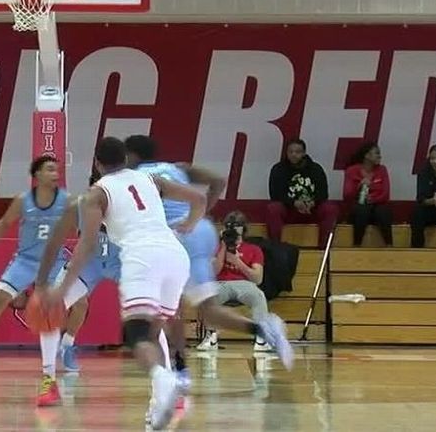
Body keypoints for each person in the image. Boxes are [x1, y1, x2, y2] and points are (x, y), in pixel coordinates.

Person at [37, 137, 213, 429]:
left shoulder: (99, 195)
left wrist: (52, 286)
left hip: (129, 257)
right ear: (126, 159)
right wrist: (189, 225)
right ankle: (48, 379)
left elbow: (74, 244)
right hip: (121, 258)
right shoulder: (91, 198)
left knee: (143, 328)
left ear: (97, 162)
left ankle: (166, 386)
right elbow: (200, 198)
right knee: (151, 323)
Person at [124, 134, 293, 387]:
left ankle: (179, 371)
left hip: (175, 237)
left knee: (170, 311)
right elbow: (218, 180)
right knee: (209, 311)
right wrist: (199, 214)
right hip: (201, 232)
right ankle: (264, 328)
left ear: (132, 156)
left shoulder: (134, 179)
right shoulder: (177, 168)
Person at [0, 155, 69, 376]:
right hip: (26, 261)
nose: (55, 174)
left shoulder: (67, 200)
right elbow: (2, 225)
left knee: (73, 304)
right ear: (37, 175)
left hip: (54, 262)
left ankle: (68, 347)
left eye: (57, 170)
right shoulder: (23, 200)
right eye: (50, 170)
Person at [31, 170, 121, 404]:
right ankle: (48, 380)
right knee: (49, 308)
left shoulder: (129, 201)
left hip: (123, 260)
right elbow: (55, 240)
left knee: (149, 314)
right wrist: (42, 282)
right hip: (88, 263)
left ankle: (170, 380)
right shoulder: (79, 205)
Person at [202, 211, 273, 353]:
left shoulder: (254, 249)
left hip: (244, 284)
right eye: (230, 226)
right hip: (221, 283)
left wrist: (238, 262)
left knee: (258, 296)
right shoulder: (215, 248)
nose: (233, 230)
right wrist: (223, 247)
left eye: (237, 226)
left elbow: (257, 279)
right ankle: (211, 336)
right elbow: (213, 272)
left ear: (243, 229)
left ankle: (261, 338)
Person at [264, 139, 338, 248]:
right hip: (290, 209)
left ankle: (324, 247)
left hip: (312, 209)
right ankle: (276, 247)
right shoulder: (278, 169)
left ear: (304, 153)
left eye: (297, 152)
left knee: (330, 209)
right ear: (287, 153)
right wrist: (294, 203)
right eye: (291, 152)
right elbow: (275, 194)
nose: (294, 155)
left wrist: (312, 203)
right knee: (273, 208)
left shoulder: (315, 169)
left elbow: (323, 193)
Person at [344, 142, 392, 246]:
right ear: (367, 155)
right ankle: (356, 244)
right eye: (377, 153)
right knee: (362, 210)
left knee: (383, 211)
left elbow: (385, 194)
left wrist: (372, 197)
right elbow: (347, 195)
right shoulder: (351, 171)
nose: (380, 156)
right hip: (359, 208)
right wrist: (359, 187)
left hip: (376, 207)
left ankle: (389, 245)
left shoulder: (382, 170)